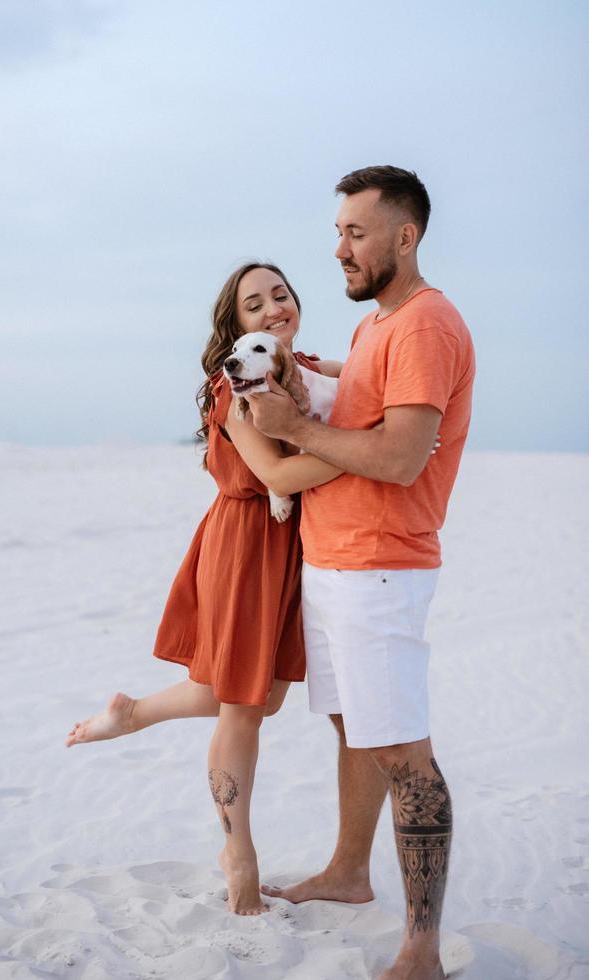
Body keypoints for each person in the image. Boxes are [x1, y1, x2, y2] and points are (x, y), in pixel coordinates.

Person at [247, 166, 475, 980]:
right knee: (358, 730)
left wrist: (294, 431)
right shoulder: (379, 326)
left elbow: (402, 455)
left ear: (404, 237)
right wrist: (318, 380)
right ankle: (348, 874)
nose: (339, 248)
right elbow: (369, 402)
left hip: (381, 566)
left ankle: (422, 948)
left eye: (356, 233)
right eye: (338, 231)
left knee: (405, 753)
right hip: (337, 561)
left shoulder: (423, 326)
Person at [65, 261, 344, 916]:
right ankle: (238, 854)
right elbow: (278, 471)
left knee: (254, 697)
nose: (274, 307)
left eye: (281, 294)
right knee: (242, 706)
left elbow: (358, 372)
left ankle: (129, 713)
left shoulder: (296, 363)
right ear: (235, 325)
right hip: (245, 547)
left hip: (287, 550)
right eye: (255, 303)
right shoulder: (235, 384)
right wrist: (376, 448)